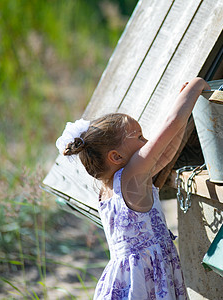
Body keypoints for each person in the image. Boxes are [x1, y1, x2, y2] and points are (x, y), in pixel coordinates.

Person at [55, 78, 210, 299]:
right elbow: (171, 124)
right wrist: (196, 85)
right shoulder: (131, 176)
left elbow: (166, 152)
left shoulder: (111, 186)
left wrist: (186, 107)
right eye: (139, 137)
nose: (146, 141)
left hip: (128, 280)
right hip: (145, 282)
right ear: (116, 156)